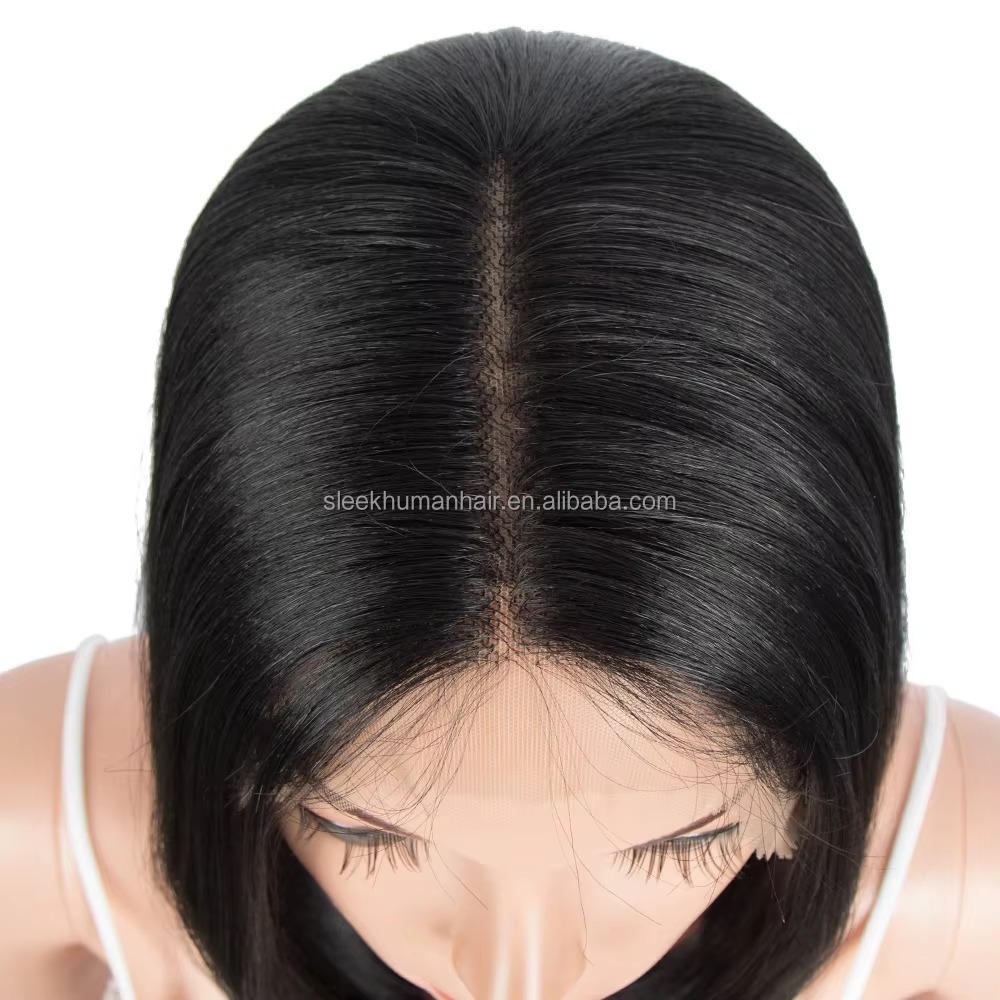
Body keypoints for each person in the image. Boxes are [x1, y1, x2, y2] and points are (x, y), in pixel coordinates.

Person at [2, 26, 997, 1000]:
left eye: (678, 840)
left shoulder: (967, 874)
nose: (515, 979)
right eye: (361, 829)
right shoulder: (39, 811)